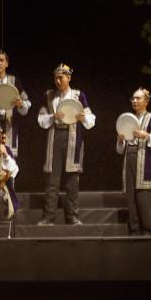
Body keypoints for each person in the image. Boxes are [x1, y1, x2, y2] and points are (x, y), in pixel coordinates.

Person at [36, 64, 96, 226]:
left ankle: (72, 217)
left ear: (69, 78)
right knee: (52, 180)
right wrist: (52, 116)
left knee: (72, 180)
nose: (58, 81)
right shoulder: (49, 96)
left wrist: (83, 117)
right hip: (55, 137)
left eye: (61, 77)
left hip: (72, 138)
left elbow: (91, 119)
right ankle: (48, 217)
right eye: (56, 78)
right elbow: (41, 119)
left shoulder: (79, 96)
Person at [117, 88, 151, 235]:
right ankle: (134, 229)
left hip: (146, 161)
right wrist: (120, 141)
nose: (134, 101)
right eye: (133, 98)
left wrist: (146, 136)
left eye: (138, 98)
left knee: (144, 196)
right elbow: (120, 150)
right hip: (130, 159)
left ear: (146, 101)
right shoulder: (128, 119)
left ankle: (148, 230)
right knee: (131, 196)